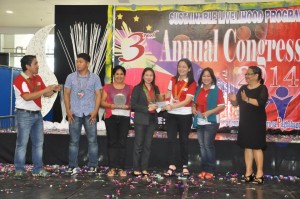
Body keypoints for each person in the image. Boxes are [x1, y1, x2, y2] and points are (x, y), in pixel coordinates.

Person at [13, 55, 61, 178]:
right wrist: (46, 90)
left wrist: (54, 90)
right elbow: (27, 97)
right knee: (22, 144)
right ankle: (19, 170)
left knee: (38, 143)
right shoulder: (19, 79)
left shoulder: (38, 78)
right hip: (24, 114)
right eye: (35, 63)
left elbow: (46, 94)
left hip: (37, 115)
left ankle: (38, 169)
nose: (38, 65)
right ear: (27, 66)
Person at [228, 66, 268, 184]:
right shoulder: (243, 88)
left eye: (249, 74)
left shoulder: (262, 88)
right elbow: (236, 104)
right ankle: (248, 172)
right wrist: (233, 100)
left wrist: (247, 99)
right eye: (246, 74)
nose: (247, 76)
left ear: (257, 75)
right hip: (245, 121)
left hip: (257, 121)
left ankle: (260, 173)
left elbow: (260, 102)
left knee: (256, 146)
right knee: (247, 146)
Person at [64, 53, 101, 175]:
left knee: (92, 141)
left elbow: (98, 95)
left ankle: (93, 165)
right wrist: (68, 111)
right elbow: (66, 94)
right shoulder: (70, 77)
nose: (78, 64)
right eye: (77, 61)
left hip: (90, 113)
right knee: (73, 141)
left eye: (80, 61)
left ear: (87, 63)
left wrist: (95, 111)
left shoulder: (95, 77)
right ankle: (72, 165)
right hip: (74, 112)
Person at [163, 58, 197, 177]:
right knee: (171, 140)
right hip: (172, 115)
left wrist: (172, 105)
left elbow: (187, 101)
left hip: (185, 115)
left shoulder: (192, 83)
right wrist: (161, 101)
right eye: (179, 66)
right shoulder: (173, 79)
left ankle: (184, 165)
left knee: (184, 140)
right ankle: (171, 165)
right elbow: (168, 94)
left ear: (189, 69)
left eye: (184, 67)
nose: (181, 69)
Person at [192, 67, 225, 179]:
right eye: (204, 76)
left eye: (208, 76)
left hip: (212, 121)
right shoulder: (198, 89)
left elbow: (221, 106)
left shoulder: (217, 90)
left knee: (208, 145)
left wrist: (210, 112)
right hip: (200, 121)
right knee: (202, 146)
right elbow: (194, 102)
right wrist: (193, 108)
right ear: (201, 78)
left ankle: (210, 170)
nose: (206, 78)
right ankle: (204, 169)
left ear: (212, 78)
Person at [100, 65, 132, 177]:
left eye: (121, 74)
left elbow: (133, 103)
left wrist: (128, 106)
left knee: (123, 142)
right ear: (114, 75)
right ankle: (112, 168)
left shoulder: (130, 87)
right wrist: (110, 105)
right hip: (111, 117)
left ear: (124, 75)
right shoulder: (107, 87)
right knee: (112, 142)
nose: (119, 76)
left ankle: (122, 168)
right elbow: (102, 102)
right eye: (117, 74)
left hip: (124, 117)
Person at [130, 67, 160, 176]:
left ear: (153, 77)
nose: (149, 77)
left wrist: (160, 106)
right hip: (140, 120)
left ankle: (144, 168)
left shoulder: (156, 88)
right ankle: (136, 168)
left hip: (152, 120)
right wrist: (147, 108)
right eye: (146, 75)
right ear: (143, 76)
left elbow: (159, 102)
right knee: (138, 145)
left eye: (151, 75)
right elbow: (133, 105)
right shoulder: (137, 88)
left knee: (148, 145)